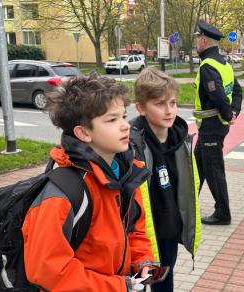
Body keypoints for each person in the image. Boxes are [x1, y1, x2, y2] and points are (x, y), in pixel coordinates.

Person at [22, 73, 160, 291]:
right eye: (112, 120)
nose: (126, 126)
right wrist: (118, 286)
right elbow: (47, 270)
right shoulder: (62, 194)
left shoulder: (125, 174)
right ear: (84, 132)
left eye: (124, 116)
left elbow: (133, 228)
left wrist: (143, 261)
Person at [129, 68, 201, 292]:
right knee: (138, 285)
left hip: (168, 231)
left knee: (164, 285)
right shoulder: (131, 144)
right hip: (141, 236)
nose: (169, 111)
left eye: (173, 103)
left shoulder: (181, 139)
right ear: (141, 107)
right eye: (160, 104)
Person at [193, 19, 243, 225]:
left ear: (204, 40)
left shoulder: (208, 66)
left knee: (213, 171)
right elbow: (238, 90)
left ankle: (223, 213)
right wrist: (234, 112)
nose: (196, 43)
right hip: (213, 126)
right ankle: (187, 203)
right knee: (197, 166)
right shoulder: (224, 63)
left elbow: (219, 96)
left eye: (197, 39)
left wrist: (228, 114)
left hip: (212, 127)